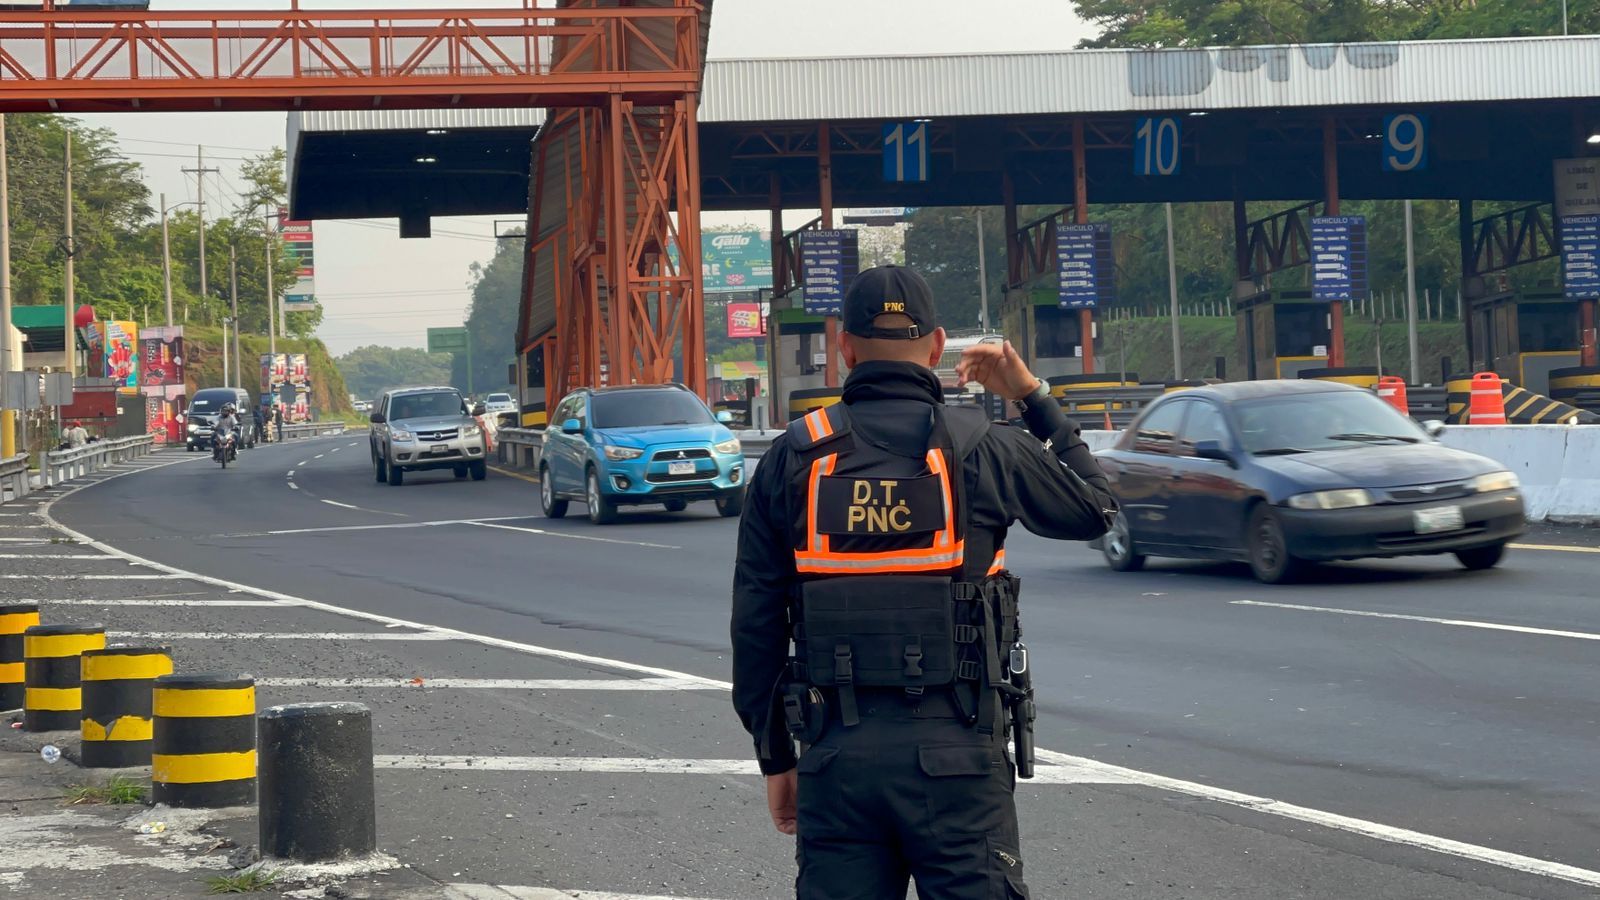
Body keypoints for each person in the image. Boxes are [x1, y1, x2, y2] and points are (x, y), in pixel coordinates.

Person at [731, 265, 1117, 899]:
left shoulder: (793, 457)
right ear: (937, 348)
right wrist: (1031, 396)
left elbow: (757, 623)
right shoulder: (985, 447)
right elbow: (1096, 508)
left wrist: (775, 755)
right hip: (960, 760)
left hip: (836, 759)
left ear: (844, 346)